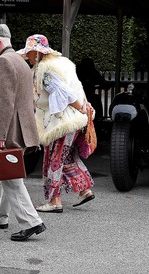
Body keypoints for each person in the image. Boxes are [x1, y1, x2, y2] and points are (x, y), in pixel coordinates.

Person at [0, 24, 46, 242]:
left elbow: (4, 103)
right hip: (21, 126)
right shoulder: (19, 60)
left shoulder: (4, 62)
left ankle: (31, 221)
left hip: (9, 129)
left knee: (9, 174)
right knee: (7, 171)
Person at [18, 34, 95, 213]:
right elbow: (75, 87)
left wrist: (80, 107)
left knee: (53, 160)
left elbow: (63, 92)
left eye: (29, 53)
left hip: (60, 123)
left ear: (37, 53)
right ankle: (84, 190)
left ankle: (54, 201)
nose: (27, 57)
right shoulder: (63, 63)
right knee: (68, 157)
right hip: (74, 121)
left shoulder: (44, 70)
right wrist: (83, 107)